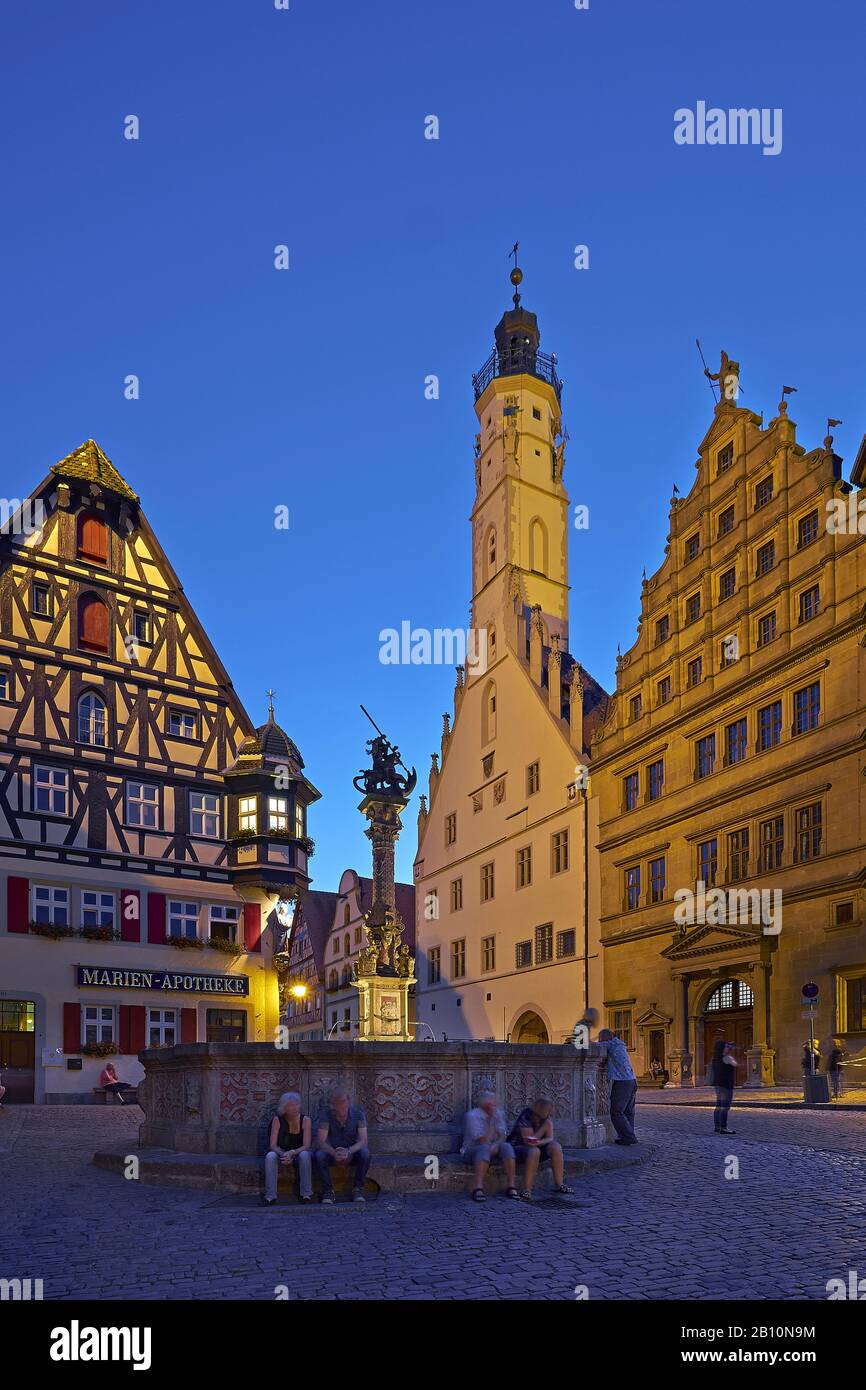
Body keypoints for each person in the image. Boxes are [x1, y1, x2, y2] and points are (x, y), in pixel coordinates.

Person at [507, 1097, 573, 1200]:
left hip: (536, 1145)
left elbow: (550, 1138)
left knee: (556, 1147)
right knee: (534, 1151)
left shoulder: (546, 1119)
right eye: (549, 1111)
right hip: (518, 1148)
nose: (550, 1114)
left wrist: (540, 1140)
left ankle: (559, 1184)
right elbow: (529, 1141)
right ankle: (527, 1189)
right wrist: (543, 1130)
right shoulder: (526, 1116)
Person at [313, 1087, 370, 1204]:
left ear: (348, 1102)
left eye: (343, 1104)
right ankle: (328, 1190)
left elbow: (364, 1141)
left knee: (365, 1153)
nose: (340, 1108)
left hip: (351, 1151)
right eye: (337, 1105)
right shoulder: (326, 1115)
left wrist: (348, 1151)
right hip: (332, 1151)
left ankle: (358, 1189)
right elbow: (321, 1141)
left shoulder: (358, 1114)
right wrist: (334, 1153)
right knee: (319, 1156)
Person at [462, 1090, 518, 1202]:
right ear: (483, 1104)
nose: (492, 1106)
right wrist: (491, 1122)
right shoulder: (472, 1116)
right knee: (484, 1149)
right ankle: (478, 1187)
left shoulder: (499, 1114)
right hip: (472, 1150)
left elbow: (502, 1135)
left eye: (494, 1103)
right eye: (489, 1103)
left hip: (493, 1148)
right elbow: (483, 1140)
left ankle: (511, 1186)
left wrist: (496, 1144)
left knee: (507, 1147)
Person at [262, 1091, 313, 1206]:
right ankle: (270, 1196)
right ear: (284, 1107)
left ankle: (306, 1194)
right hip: (282, 1153)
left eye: (296, 1104)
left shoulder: (305, 1120)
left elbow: (306, 1145)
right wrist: (283, 1154)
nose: (295, 1108)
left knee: (305, 1155)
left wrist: (292, 1152)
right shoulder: (277, 1120)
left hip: (298, 1152)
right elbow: (273, 1145)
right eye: (291, 1105)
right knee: (270, 1156)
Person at [598, 1028, 639, 1145]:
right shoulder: (620, 1045)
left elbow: (596, 1046)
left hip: (622, 1082)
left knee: (616, 1112)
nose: (600, 1041)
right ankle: (628, 1135)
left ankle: (629, 1136)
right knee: (628, 1112)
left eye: (601, 1038)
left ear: (606, 1038)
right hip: (632, 1080)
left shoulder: (611, 1044)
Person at [709, 1039, 737, 1135]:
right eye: (726, 1046)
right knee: (725, 1107)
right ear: (722, 1048)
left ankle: (717, 1126)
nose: (727, 1048)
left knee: (718, 1106)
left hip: (718, 1085)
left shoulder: (715, 1058)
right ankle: (723, 1128)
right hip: (726, 1085)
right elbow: (735, 1064)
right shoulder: (727, 1058)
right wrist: (730, 1052)